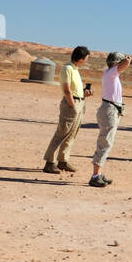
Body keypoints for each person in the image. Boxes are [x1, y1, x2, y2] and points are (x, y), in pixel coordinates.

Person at [43, 46, 91, 174]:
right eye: (86, 58)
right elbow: (66, 90)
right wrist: (73, 105)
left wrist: (84, 93)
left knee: (71, 134)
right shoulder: (67, 69)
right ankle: (49, 162)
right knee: (62, 132)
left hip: (79, 103)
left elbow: (74, 89)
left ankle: (63, 161)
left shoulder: (75, 69)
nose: (86, 61)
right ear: (81, 58)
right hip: (71, 105)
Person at [89, 52, 131, 188]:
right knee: (104, 143)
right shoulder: (111, 73)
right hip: (109, 110)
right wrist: (127, 59)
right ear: (115, 63)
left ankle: (99, 174)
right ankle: (95, 176)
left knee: (106, 142)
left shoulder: (111, 74)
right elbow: (124, 65)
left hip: (111, 109)